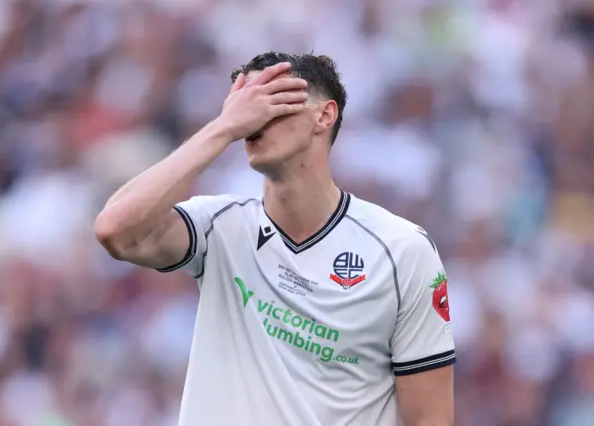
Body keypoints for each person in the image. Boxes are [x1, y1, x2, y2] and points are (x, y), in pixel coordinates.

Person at [95, 52, 455, 426]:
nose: (254, 121)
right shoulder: (219, 226)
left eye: (272, 103)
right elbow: (115, 230)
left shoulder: (401, 250)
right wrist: (221, 128)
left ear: (324, 115)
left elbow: (430, 418)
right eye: (245, 107)